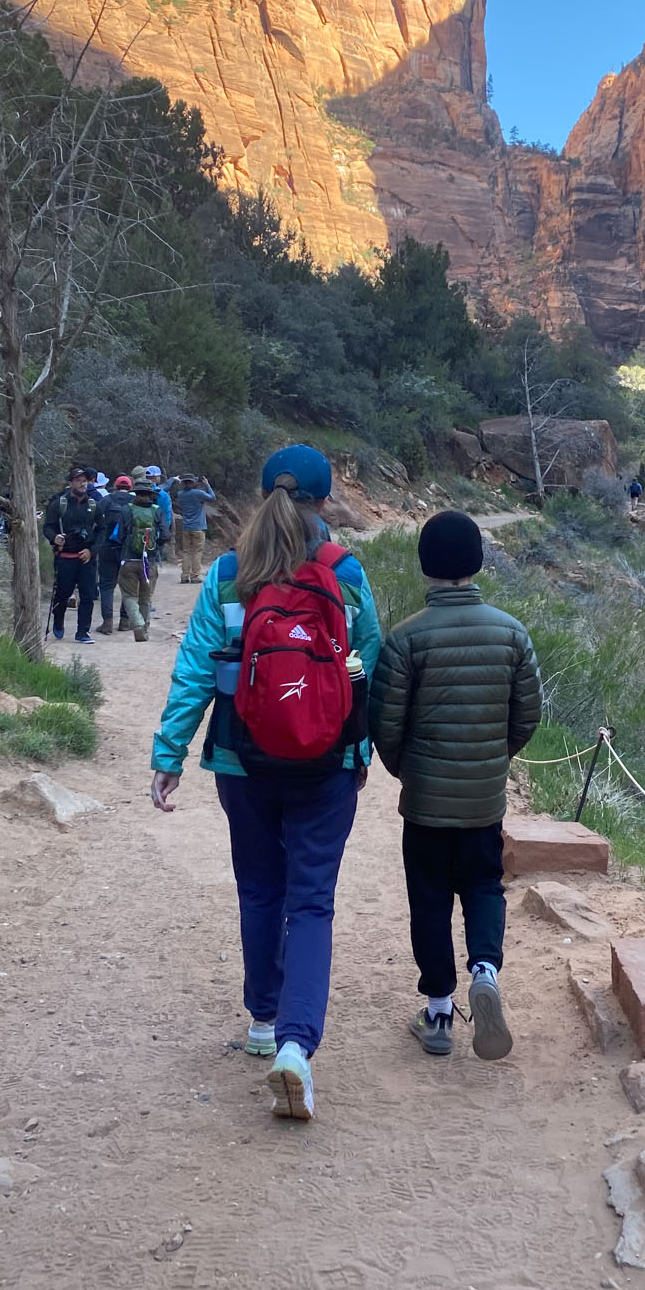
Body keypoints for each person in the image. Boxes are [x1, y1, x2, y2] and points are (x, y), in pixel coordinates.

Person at [150, 444, 381, 1124]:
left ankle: (261, 1018)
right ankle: (295, 1047)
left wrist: (169, 753)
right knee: (311, 901)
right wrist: (374, 746)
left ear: (259, 495)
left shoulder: (227, 574)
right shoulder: (344, 574)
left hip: (241, 761)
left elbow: (195, 669)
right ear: (323, 500)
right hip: (327, 761)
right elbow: (374, 661)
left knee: (259, 887)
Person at [370, 509, 542, 1061]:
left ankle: (439, 1012)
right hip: (484, 798)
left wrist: (408, 770)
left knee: (429, 900)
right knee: (485, 886)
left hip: (425, 801)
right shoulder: (511, 633)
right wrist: (494, 758)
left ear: (425, 565)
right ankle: (486, 970)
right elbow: (526, 715)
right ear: (477, 563)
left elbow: (385, 724)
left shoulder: (405, 639)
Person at [42, 466, 106, 643]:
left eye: (84, 480)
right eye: (78, 480)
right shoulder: (59, 504)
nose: (82, 483)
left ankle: (82, 632)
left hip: (86, 560)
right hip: (65, 559)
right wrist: (54, 538)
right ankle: (59, 621)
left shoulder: (94, 505)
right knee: (62, 595)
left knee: (87, 596)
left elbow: (102, 530)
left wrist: (91, 551)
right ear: (70, 483)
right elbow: (47, 527)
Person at [117, 478, 170, 641]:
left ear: (136, 493)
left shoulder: (127, 509)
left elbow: (120, 535)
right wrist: (155, 547)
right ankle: (144, 629)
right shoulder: (157, 510)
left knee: (129, 596)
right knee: (146, 598)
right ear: (151, 495)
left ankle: (137, 624)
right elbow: (166, 534)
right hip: (150, 561)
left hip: (129, 560)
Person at [96, 474, 135, 634]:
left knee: (106, 586)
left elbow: (96, 522)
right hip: (128, 551)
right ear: (130, 487)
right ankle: (125, 622)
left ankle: (107, 623)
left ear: (115, 486)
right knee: (128, 587)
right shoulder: (135, 502)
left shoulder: (106, 501)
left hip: (107, 548)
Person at [176, 473, 216, 583]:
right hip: (198, 526)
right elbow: (213, 497)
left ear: (183, 483)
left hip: (186, 527)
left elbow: (187, 491)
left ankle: (184, 576)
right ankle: (195, 576)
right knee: (197, 551)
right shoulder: (198, 493)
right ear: (193, 482)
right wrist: (206, 484)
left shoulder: (180, 494)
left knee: (186, 551)